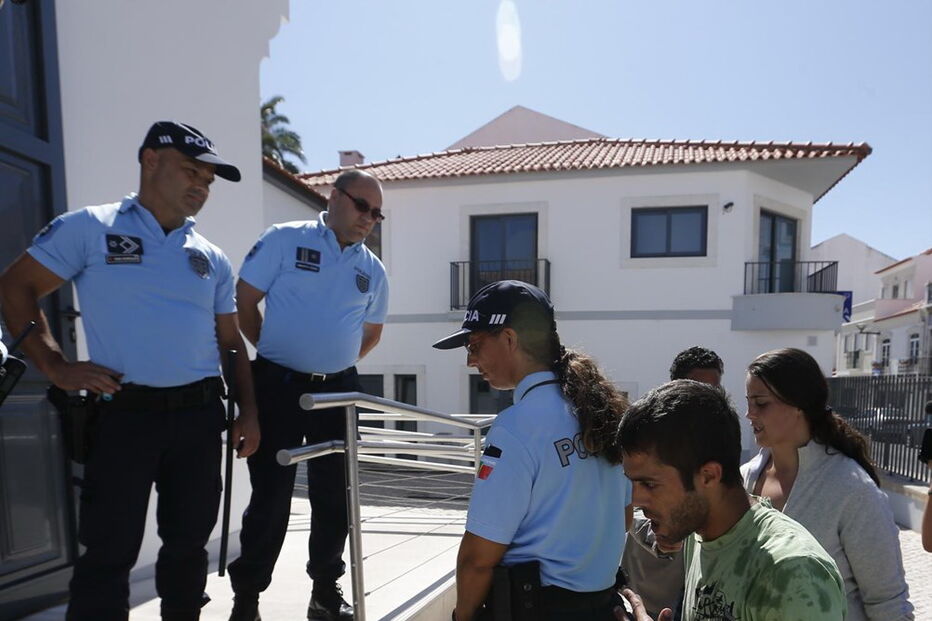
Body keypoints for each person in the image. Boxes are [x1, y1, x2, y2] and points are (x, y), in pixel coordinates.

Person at [0, 121, 260, 621]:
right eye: (191, 172)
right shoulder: (90, 228)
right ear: (150, 161)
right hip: (124, 417)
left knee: (187, 550)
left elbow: (230, 343)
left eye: (208, 180)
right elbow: (15, 288)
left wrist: (248, 410)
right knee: (108, 551)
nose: (201, 188)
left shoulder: (210, 257)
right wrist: (55, 365)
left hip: (197, 420)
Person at [227, 169, 388, 621]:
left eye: (377, 214)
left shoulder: (372, 269)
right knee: (272, 497)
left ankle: (323, 591)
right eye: (362, 206)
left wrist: (329, 362)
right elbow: (243, 299)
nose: (369, 219)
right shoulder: (283, 240)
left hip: (338, 392)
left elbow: (371, 334)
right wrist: (275, 352)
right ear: (334, 197)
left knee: (334, 496)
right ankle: (247, 600)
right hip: (277, 387)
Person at [433, 280, 633, 621]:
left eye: (475, 344)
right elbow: (625, 517)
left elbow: (477, 560)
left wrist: (461, 617)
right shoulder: (605, 412)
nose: (470, 360)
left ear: (509, 339)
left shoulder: (515, 426)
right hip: (603, 606)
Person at [616, 379, 846, 621]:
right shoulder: (699, 536)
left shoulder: (793, 572)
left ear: (709, 476)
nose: (636, 500)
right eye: (631, 482)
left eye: (650, 484)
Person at [742, 348, 914, 620]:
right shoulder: (744, 479)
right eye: (748, 401)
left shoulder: (852, 490)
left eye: (761, 403)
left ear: (798, 405)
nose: (749, 414)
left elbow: (889, 604)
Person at [619, 346, 723, 619]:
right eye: (699, 388)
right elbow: (634, 504)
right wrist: (662, 536)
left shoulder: (720, 450)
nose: (706, 400)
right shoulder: (645, 438)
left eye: (714, 390)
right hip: (648, 595)